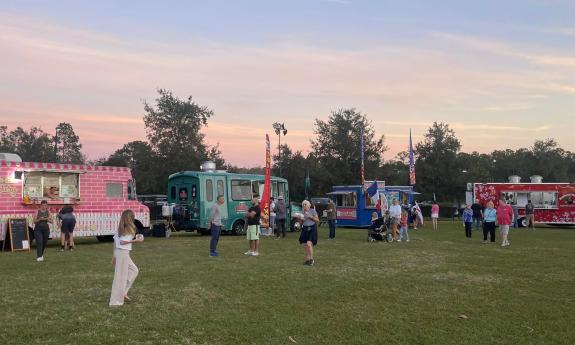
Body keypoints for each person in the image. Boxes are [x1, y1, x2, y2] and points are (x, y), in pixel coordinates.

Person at [109, 209, 144, 307]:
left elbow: (115, 242)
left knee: (134, 270)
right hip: (123, 253)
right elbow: (121, 242)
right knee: (120, 277)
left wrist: (114, 256)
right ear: (130, 218)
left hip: (120, 253)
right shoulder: (128, 228)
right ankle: (115, 302)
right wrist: (136, 241)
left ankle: (123, 292)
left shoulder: (121, 228)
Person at [299, 200, 319, 266]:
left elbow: (317, 220)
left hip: (312, 228)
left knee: (309, 244)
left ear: (309, 205)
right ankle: (307, 260)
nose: (304, 206)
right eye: (303, 205)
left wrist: (310, 216)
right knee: (305, 245)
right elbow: (302, 222)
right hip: (305, 228)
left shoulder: (312, 211)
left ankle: (311, 259)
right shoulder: (302, 211)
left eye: (305, 204)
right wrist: (300, 219)